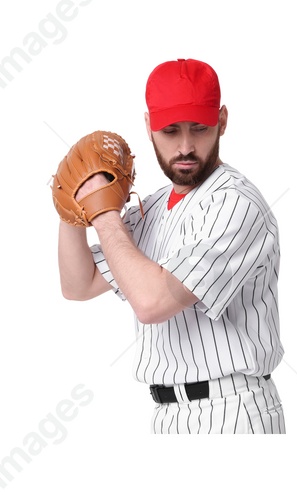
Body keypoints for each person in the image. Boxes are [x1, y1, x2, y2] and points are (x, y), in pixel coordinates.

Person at [55, 58, 285, 433]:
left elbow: (151, 303)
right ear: (148, 127)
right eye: (170, 130)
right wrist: (71, 208)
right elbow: (78, 285)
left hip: (232, 411)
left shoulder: (236, 204)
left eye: (199, 128)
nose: (185, 146)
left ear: (222, 121)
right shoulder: (153, 207)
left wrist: (102, 211)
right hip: (166, 414)